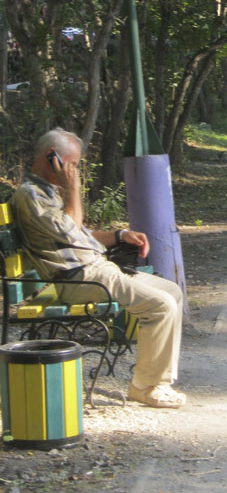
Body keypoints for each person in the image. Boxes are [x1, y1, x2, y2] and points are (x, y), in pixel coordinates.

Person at [11, 128, 186, 409]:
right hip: (77, 278)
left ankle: (159, 380)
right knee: (160, 305)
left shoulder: (49, 193)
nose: (75, 172)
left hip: (96, 269)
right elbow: (71, 228)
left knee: (172, 292)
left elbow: (80, 232)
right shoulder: (30, 195)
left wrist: (120, 235)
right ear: (50, 158)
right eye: (73, 165)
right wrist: (73, 190)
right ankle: (146, 387)